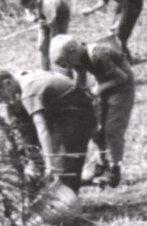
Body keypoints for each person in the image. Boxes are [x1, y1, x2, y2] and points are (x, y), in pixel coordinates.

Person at [51, 35, 136, 188]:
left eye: (67, 62)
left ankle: (114, 168)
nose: (68, 67)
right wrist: (77, 96)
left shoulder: (97, 55)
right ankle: (102, 163)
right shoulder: (78, 57)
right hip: (105, 84)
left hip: (122, 88)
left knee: (112, 129)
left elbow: (121, 77)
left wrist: (98, 89)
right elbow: (80, 80)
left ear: (72, 52)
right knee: (98, 129)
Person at [81, 0, 145, 59]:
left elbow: (126, 7)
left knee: (120, 34)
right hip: (124, 3)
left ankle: (127, 59)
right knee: (113, 31)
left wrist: (119, 22)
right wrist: (91, 10)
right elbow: (104, 1)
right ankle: (121, 56)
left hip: (133, 5)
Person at [15, 0, 72, 72]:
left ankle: (67, 73)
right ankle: (46, 72)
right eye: (28, 8)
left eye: (32, 5)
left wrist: (55, 44)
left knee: (60, 46)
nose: (30, 9)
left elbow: (54, 28)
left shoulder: (46, 3)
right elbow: (31, 15)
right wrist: (35, 19)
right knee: (42, 47)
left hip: (60, 14)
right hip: (43, 16)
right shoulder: (26, 0)